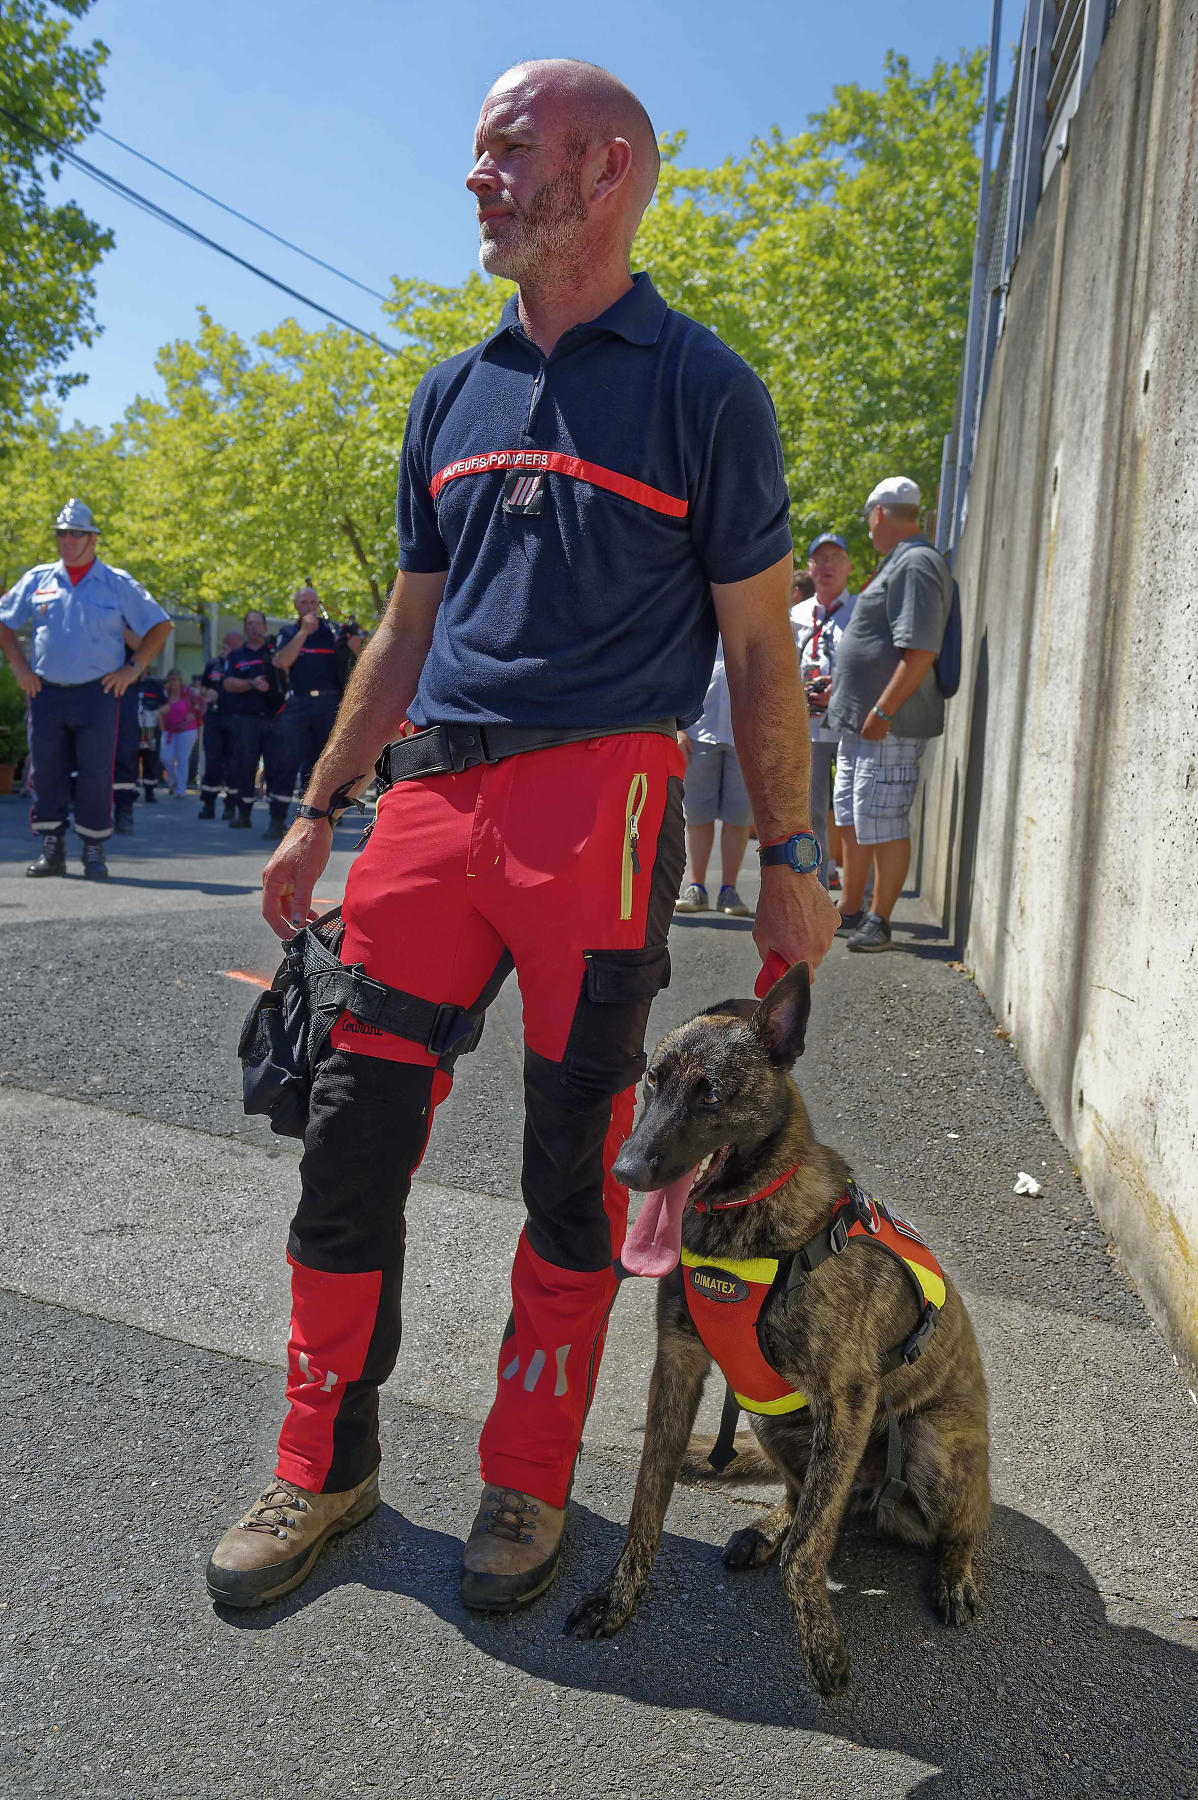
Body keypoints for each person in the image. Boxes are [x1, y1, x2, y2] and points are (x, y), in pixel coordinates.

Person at [206, 57, 838, 1618]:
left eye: (505, 150)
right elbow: (403, 630)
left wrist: (789, 857)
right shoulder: (451, 392)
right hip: (428, 808)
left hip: (601, 810)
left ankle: (526, 1477)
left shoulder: (704, 388)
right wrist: (315, 812)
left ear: (604, 168)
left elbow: (759, 648)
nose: (476, 177)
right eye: (480, 151)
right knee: (345, 1140)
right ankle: (319, 1465)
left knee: (578, 1166)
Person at [0, 499, 170, 880]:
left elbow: (160, 626)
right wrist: (19, 668)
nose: (68, 540)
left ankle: (94, 849)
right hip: (46, 692)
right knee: (46, 770)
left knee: (96, 772)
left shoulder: (117, 583)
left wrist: (133, 669)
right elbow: (4, 621)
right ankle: (51, 848)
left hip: (98, 693)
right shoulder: (38, 579)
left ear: (93, 539)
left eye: (76, 533)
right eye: (62, 533)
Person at [825, 476, 953, 952]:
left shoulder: (916, 562)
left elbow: (921, 649)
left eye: (868, 519)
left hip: (887, 725)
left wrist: (882, 709)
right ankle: (851, 908)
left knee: (884, 820)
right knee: (854, 815)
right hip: (865, 724)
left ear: (878, 514)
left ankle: (879, 920)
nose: (869, 526)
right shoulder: (900, 560)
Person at [790, 533, 856, 888]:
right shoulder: (796, 615)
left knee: (851, 807)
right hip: (807, 727)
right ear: (810, 567)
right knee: (811, 808)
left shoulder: (860, 611)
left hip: (848, 726)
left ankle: (859, 889)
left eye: (835, 558)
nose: (827, 566)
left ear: (848, 566)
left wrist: (839, 691)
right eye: (820, 559)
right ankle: (818, 879)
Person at [673, 639, 754, 916]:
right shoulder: (697, 623)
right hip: (697, 734)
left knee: (738, 817)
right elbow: (677, 673)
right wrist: (678, 728)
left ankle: (729, 890)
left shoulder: (752, 621)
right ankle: (696, 888)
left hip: (744, 735)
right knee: (697, 816)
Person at [267, 587, 343, 839]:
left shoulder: (331, 632)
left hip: (328, 701)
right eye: (303, 602)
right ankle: (277, 818)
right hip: (298, 701)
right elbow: (282, 662)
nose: (309, 606)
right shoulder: (288, 633)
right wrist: (303, 632)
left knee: (325, 761)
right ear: (296, 606)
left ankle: (323, 817)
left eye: (313, 602)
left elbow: (350, 660)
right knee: (286, 759)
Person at [222, 610, 284, 829]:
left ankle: (276, 818)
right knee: (245, 766)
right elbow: (228, 683)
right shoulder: (236, 655)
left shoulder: (275, 652)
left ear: (265, 627)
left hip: (274, 718)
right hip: (246, 720)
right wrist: (251, 684)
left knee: (276, 768)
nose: (253, 627)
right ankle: (243, 813)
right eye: (249, 624)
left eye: (257, 623)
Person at [199, 630, 244, 819]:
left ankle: (230, 805)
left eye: (233, 644)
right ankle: (208, 803)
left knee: (234, 763)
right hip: (214, 717)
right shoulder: (214, 663)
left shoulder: (242, 662)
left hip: (236, 717)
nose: (228, 647)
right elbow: (203, 686)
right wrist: (206, 692)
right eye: (226, 643)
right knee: (212, 761)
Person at [157, 669, 203, 797]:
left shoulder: (189, 692)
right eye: (170, 680)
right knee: (165, 757)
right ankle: (173, 781)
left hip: (187, 729)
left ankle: (180, 789)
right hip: (169, 730)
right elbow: (159, 710)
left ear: (180, 681)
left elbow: (202, 704)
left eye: (175, 680)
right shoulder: (164, 693)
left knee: (183, 759)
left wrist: (194, 714)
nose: (172, 683)